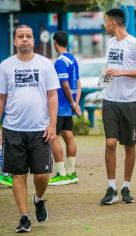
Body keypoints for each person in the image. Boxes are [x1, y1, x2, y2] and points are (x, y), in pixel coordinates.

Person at [0, 25, 59, 232]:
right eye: (20, 36)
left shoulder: (45, 65)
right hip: (13, 129)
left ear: (33, 41)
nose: (25, 39)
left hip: (40, 129)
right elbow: (1, 98)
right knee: (18, 175)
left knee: (42, 176)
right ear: (14, 41)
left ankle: (39, 198)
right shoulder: (5, 66)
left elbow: (53, 96)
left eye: (28, 36)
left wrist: (52, 125)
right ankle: (24, 217)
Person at [99, 8, 136, 205]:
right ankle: (111, 187)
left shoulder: (134, 44)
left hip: (130, 102)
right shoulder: (110, 43)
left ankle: (126, 186)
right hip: (110, 100)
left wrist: (122, 73)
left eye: (106, 22)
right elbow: (108, 67)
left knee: (129, 146)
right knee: (110, 143)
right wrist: (102, 83)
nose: (104, 25)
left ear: (113, 23)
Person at [48, 31, 82, 186]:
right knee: (69, 137)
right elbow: (78, 83)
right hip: (69, 106)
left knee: (53, 137)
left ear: (55, 42)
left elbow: (65, 84)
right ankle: (71, 173)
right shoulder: (72, 59)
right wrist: (76, 103)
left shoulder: (60, 61)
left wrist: (70, 103)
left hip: (61, 106)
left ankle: (61, 174)